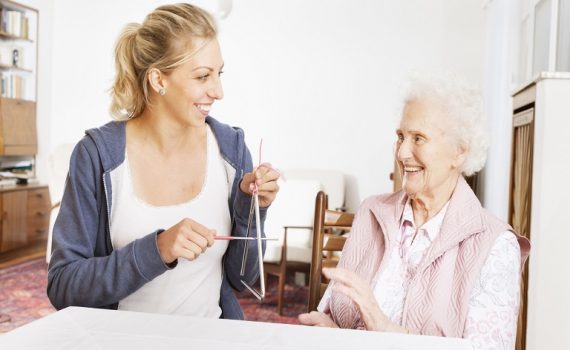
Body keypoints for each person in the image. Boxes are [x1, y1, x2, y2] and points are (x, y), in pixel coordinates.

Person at [47, 3, 279, 320]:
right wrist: (157, 250)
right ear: (159, 80)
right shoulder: (97, 156)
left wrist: (252, 209)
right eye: (203, 76)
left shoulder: (231, 149)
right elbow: (63, 286)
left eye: (219, 73)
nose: (218, 91)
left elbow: (244, 279)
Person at [299, 75, 530, 350]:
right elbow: (331, 310)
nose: (403, 152)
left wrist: (386, 331)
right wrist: (328, 330)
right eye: (400, 136)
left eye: (419, 138)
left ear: (460, 152)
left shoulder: (495, 246)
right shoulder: (371, 213)